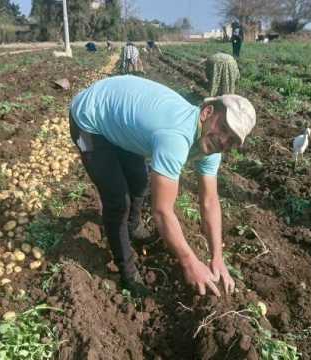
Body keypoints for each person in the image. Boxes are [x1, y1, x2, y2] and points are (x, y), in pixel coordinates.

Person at [69, 75, 257, 297]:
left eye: (232, 140)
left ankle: (132, 227)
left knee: (139, 181)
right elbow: (162, 211)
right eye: (223, 127)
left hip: (119, 118)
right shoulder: (175, 137)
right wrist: (189, 262)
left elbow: (209, 201)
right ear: (207, 112)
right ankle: (127, 270)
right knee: (118, 201)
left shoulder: (213, 145)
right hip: (90, 119)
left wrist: (217, 256)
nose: (224, 141)